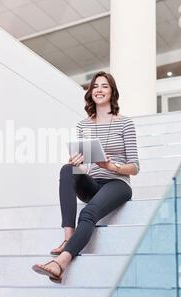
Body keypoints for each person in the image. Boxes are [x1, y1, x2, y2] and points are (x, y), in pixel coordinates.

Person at [31, 71, 140, 284]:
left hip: (117, 183)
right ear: (91, 93)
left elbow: (135, 167)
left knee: (88, 213)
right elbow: (84, 162)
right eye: (95, 86)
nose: (99, 89)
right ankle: (68, 238)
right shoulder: (83, 125)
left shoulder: (125, 123)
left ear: (112, 92)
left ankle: (60, 263)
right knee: (66, 169)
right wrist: (79, 164)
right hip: (93, 183)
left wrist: (111, 166)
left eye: (104, 86)